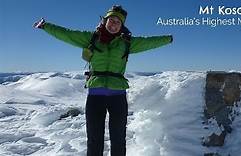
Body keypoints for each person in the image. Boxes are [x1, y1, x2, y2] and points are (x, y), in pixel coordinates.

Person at [34, 5, 173, 156]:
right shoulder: (91, 38)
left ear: (122, 26)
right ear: (105, 21)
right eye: (111, 21)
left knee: (118, 138)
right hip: (95, 96)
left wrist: (167, 39)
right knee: (94, 138)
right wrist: (46, 26)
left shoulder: (127, 42)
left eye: (117, 22)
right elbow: (67, 34)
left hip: (118, 97)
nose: (113, 25)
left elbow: (149, 42)